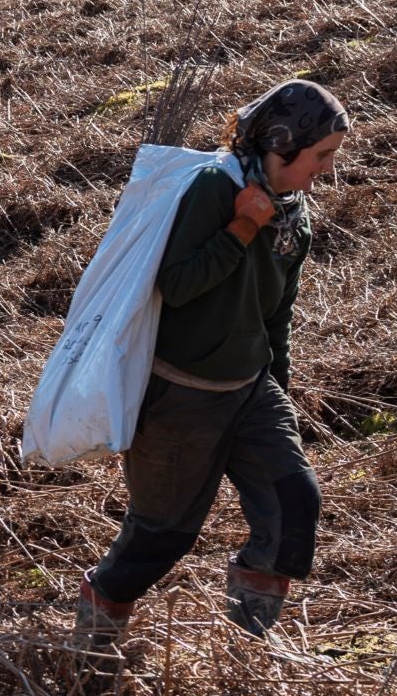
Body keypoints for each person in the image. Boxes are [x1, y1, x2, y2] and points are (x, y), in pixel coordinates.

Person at [75, 79, 350, 648]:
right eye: (320, 156)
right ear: (281, 144)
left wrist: (278, 389)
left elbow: (279, 313)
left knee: (293, 505)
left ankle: (243, 649)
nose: (325, 170)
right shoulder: (209, 190)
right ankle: (92, 648)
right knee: (160, 539)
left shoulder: (295, 215)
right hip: (181, 397)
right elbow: (175, 286)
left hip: (251, 388)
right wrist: (241, 227)